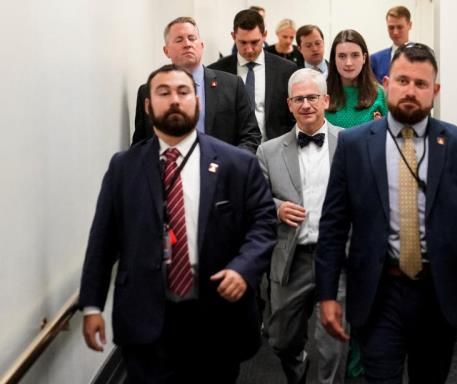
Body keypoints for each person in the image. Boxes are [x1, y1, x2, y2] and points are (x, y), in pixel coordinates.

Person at [316, 42, 457, 383]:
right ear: (386, 84)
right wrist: (327, 294)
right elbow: (333, 225)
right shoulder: (354, 145)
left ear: (435, 91)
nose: (410, 91)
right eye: (403, 81)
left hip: (439, 291)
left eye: (421, 84)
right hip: (379, 291)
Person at [79, 64, 277, 383]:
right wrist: (91, 305)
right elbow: (103, 239)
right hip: (146, 319)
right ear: (148, 105)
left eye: (183, 92)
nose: (174, 99)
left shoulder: (236, 164)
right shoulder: (124, 168)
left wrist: (244, 267)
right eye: (164, 92)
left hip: (217, 318)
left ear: (196, 101)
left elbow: (264, 225)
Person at [256, 68, 348, 384]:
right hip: (290, 257)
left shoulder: (349, 144)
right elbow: (255, 203)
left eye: (312, 97)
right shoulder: (267, 151)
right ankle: (297, 366)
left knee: (333, 344)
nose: (306, 104)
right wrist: (277, 208)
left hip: (336, 257)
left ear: (326, 100)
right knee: (280, 338)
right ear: (289, 104)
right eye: (299, 99)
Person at [132, 17, 261, 153]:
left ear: (201, 45)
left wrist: (230, 164)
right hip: (168, 170)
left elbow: (251, 136)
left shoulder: (232, 85)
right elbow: (140, 143)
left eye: (192, 38)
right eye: (179, 40)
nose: (187, 44)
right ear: (166, 51)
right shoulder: (148, 91)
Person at [209, 9, 297, 141]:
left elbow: (293, 115)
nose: (249, 49)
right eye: (243, 42)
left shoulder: (286, 70)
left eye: (254, 42)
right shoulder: (217, 72)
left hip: (275, 149)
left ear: (265, 35)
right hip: (233, 151)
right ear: (233, 36)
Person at [325, 29, 387, 130]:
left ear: (364, 58)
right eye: (342, 56)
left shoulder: (381, 94)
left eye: (355, 55)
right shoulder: (321, 94)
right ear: (334, 59)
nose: (348, 63)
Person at [371, 6, 413, 84]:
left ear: (409, 25)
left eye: (400, 27)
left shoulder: (424, 57)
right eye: (391, 28)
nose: (395, 32)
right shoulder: (375, 60)